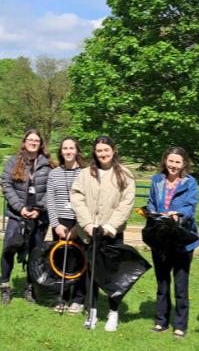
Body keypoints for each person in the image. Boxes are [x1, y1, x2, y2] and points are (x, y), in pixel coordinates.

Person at [71, 135, 135, 332]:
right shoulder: (85, 174)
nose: (103, 154)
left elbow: (126, 203)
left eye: (106, 150)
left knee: (113, 275)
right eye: (99, 151)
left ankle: (113, 313)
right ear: (95, 153)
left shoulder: (124, 175)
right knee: (91, 274)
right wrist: (87, 224)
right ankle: (92, 312)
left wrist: (110, 226)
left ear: (113, 151)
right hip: (90, 232)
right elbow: (76, 196)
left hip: (112, 234)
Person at [145, 146, 199, 338]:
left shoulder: (190, 183)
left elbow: (190, 207)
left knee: (180, 284)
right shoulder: (156, 180)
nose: (173, 165)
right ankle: (161, 322)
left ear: (184, 164)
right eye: (170, 161)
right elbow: (152, 201)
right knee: (162, 283)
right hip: (160, 237)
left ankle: (180, 325)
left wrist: (178, 214)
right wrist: (151, 211)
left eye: (177, 162)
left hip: (182, 239)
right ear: (165, 161)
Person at [0, 129, 55, 305]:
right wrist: (19, 207)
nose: (33, 143)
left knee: (35, 253)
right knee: (9, 247)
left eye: (36, 140)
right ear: (24, 142)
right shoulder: (14, 162)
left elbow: (52, 190)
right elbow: (6, 185)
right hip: (18, 215)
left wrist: (40, 209)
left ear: (40, 144)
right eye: (30, 140)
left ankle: (30, 288)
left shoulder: (48, 165)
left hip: (39, 216)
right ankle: (5, 286)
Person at [46, 137, 88, 314]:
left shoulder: (85, 174)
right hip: (60, 224)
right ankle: (61, 297)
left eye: (71, 148)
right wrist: (55, 224)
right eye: (65, 148)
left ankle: (78, 300)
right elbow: (50, 200)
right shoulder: (54, 173)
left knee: (79, 262)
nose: (68, 151)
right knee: (60, 262)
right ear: (61, 151)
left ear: (77, 150)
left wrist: (78, 226)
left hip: (79, 223)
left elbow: (89, 201)